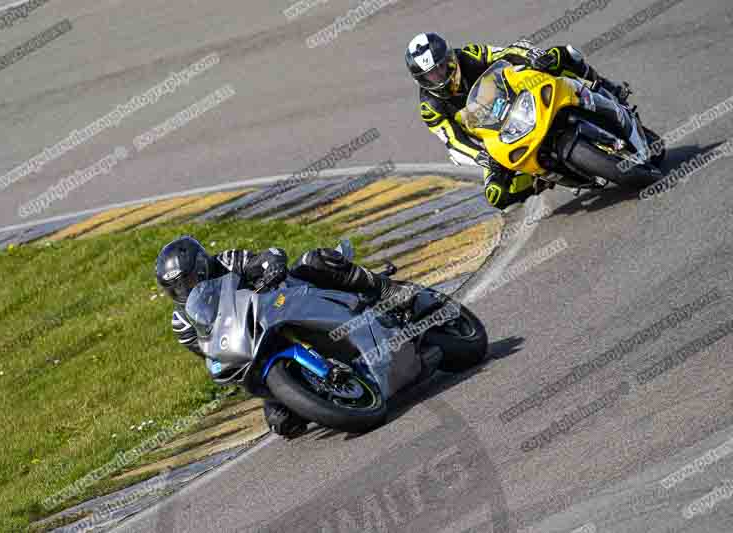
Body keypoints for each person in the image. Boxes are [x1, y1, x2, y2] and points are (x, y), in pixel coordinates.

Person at [155, 236, 415, 438]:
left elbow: (269, 256)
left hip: (282, 304)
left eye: (188, 281)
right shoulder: (182, 322)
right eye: (176, 288)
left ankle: (385, 288)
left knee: (314, 261)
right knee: (283, 423)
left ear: (202, 267)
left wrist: (271, 266)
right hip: (255, 347)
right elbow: (210, 351)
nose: (184, 290)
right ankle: (328, 390)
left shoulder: (227, 261)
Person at [406, 32, 631, 209]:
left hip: (517, 101)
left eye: (442, 67)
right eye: (431, 75)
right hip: (496, 139)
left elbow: (506, 52)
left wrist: (532, 56)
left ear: (450, 59)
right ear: (420, 79)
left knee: (562, 55)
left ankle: (604, 87)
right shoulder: (429, 107)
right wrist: (483, 157)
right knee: (496, 194)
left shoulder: (469, 55)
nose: (439, 76)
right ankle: (539, 180)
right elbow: (453, 142)